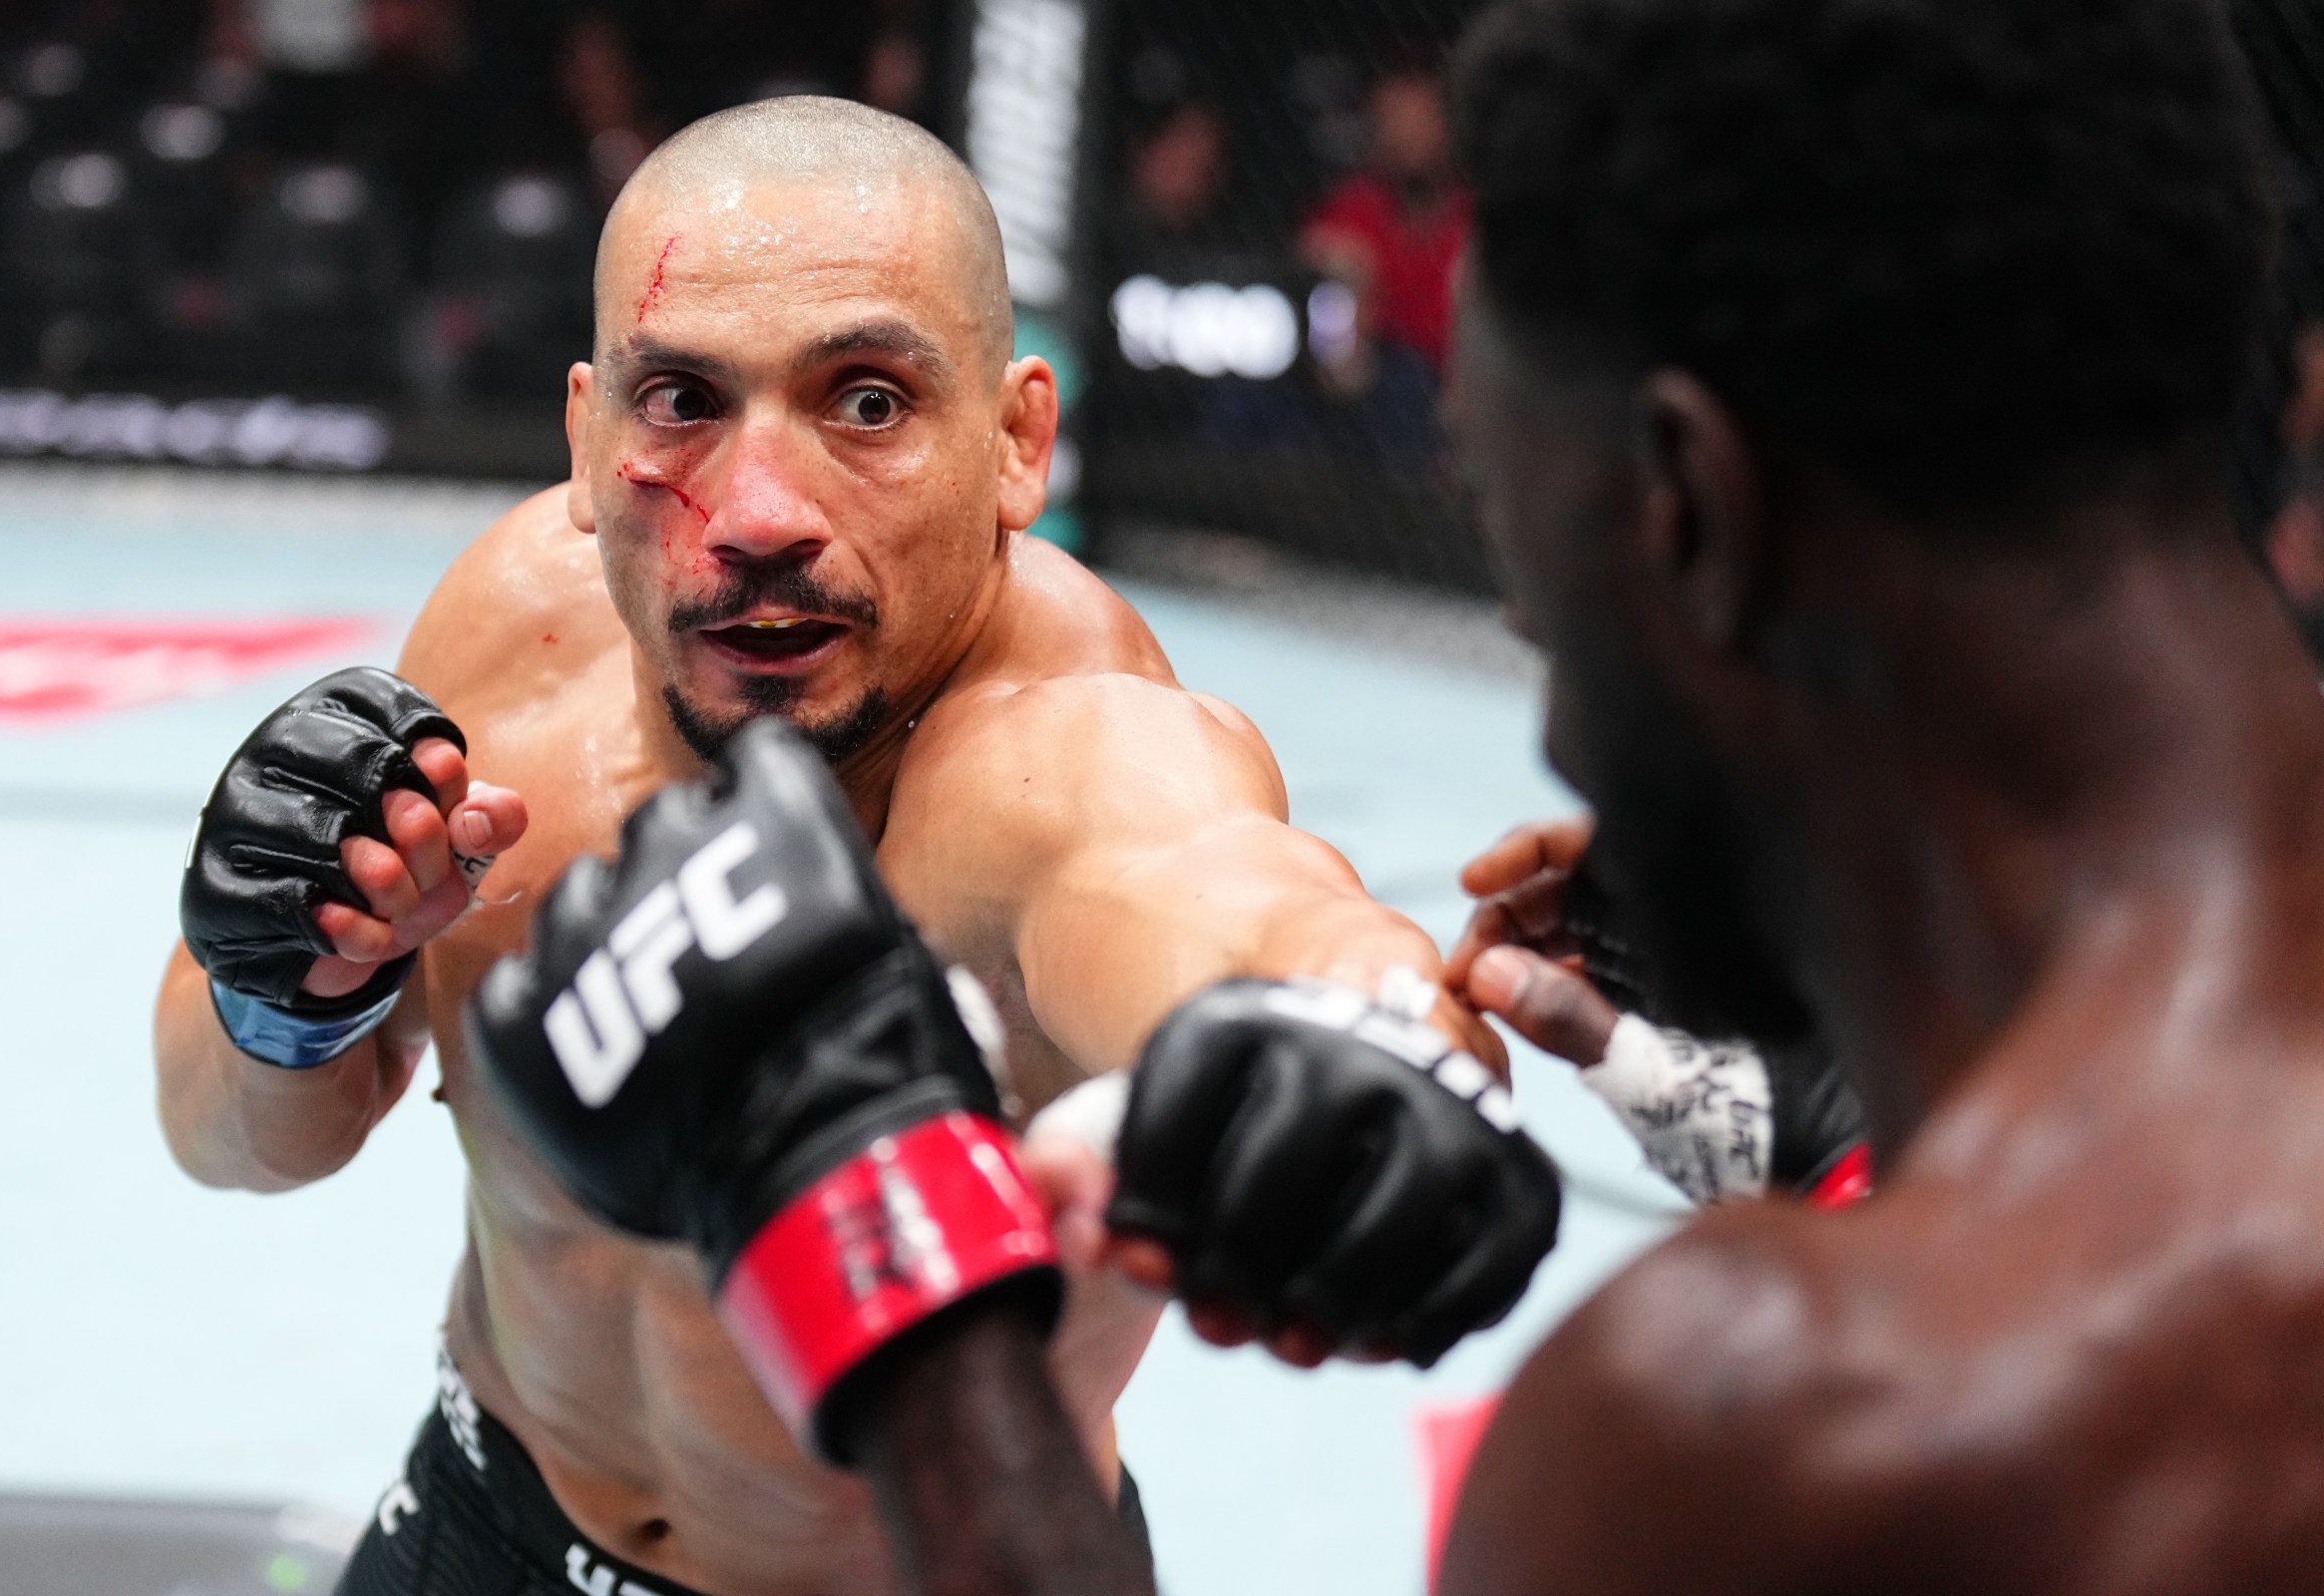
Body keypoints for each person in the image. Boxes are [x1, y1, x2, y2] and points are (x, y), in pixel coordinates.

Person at [155, 96, 1558, 1596]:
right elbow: (228, 1143)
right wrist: (285, 992)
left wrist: (1376, 1040)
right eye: (682, 402)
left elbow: (1256, 922)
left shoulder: (1063, 760)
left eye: (868, 402)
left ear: (1019, 442)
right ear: (585, 437)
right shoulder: (518, 634)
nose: (757, 517)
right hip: (486, 1522)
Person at [1414, 0, 2324, 1586]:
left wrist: (905, 1248)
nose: (1558, 725)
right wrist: (1868, 1128)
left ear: (1692, 510)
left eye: (1528, 577)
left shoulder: (1775, 1425)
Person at [1300, 63, 1470, 452]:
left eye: (1420, 120)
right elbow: (1325, 343)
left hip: (1448, 405)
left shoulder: (1479, 227)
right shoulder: (1346, 214)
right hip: (1354, 397)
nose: (1406, 136)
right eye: (1393, 120)